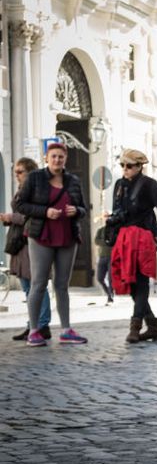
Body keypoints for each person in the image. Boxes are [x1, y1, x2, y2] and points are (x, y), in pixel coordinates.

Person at [14, 142, 88, 346]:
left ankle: (66, 330)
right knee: (38, 283)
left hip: (67, 236)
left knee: (62, 285)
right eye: (53, 156)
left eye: (61, 157)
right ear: (46, 158)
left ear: (66, 159)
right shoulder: (35, 178)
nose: (57, 160)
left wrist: (77, 211)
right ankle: (34, 331)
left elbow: (83, 208)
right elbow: (20, 204)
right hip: (41, 235)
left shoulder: (73, 180)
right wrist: (45, 212)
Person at [106, 149, 157, 344]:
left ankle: (135, 328)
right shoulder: (119, 185)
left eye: (129, 166)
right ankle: (153, 327)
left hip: (143, 239)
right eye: (122, 165)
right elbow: (118, 211)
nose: (125, 169)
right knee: (132, 284)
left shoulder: (150, 185)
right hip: (124, 239)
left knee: (141, 282)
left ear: (139, 166)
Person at [1, 157, 52, 341]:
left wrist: (11, 217)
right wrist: (9, 219)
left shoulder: (37, 190)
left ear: (30, 172)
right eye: (15, 172)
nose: (16, 175)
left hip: (33, 241)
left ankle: (42, 324)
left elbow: (34, 216)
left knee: (36, 285)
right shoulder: (23, 190)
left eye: (20, 172)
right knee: (27, 287)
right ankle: (33, 325)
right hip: (20, 242)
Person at [94, 221, 115, 305]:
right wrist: (107, 242)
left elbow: (115, 242)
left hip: (112, 257)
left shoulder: (115, 230)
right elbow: (96, 241)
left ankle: (110, 297)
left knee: (110, 278)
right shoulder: (101, 230)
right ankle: (109, 293)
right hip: (102, 256)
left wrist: (108, 242)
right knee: (99, 278)